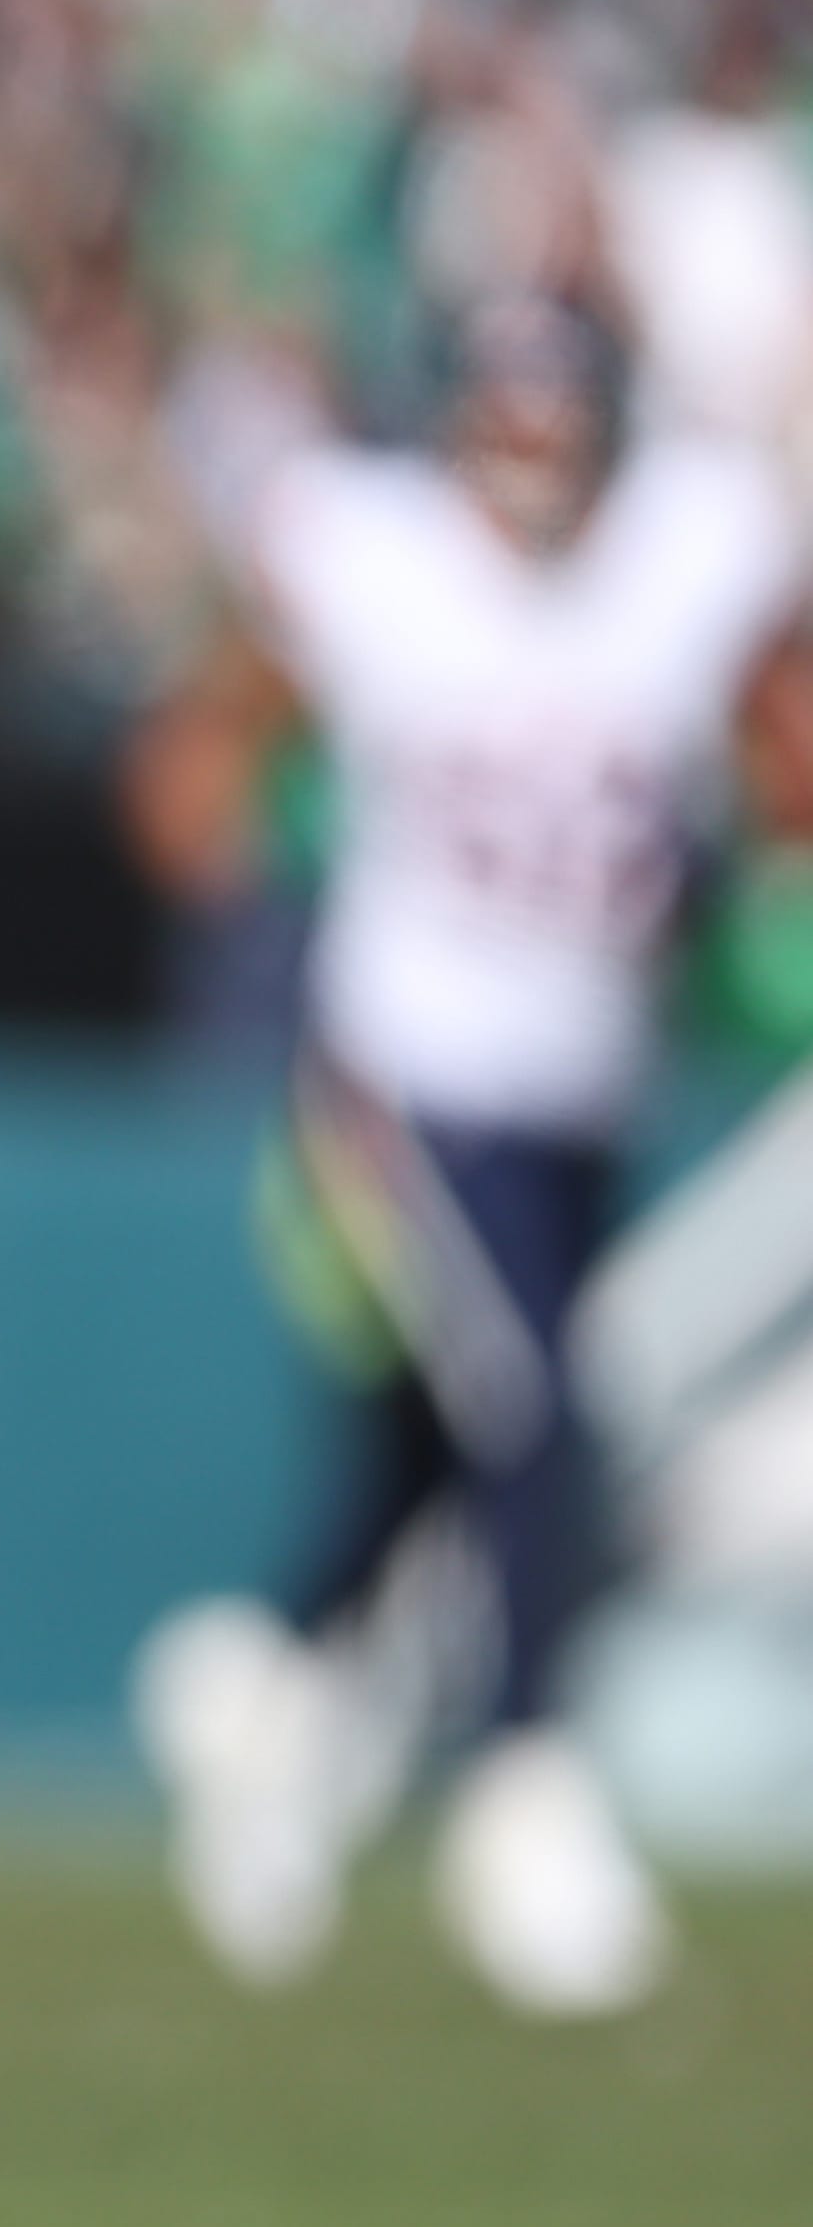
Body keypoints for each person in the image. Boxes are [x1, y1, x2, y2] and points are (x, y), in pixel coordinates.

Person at [129, 292, 813, 2018]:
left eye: (560, 421)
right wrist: (248, 881)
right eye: (507, 421)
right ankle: (524, 1791)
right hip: (404, 1078)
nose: (535, 460)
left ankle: (262, 1713)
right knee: (539, 1417)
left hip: (577, 1091)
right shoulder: (373, 560)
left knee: (418, 1468)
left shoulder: (690, 555)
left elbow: (774, 737)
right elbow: (196, 761)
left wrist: (755, 824)